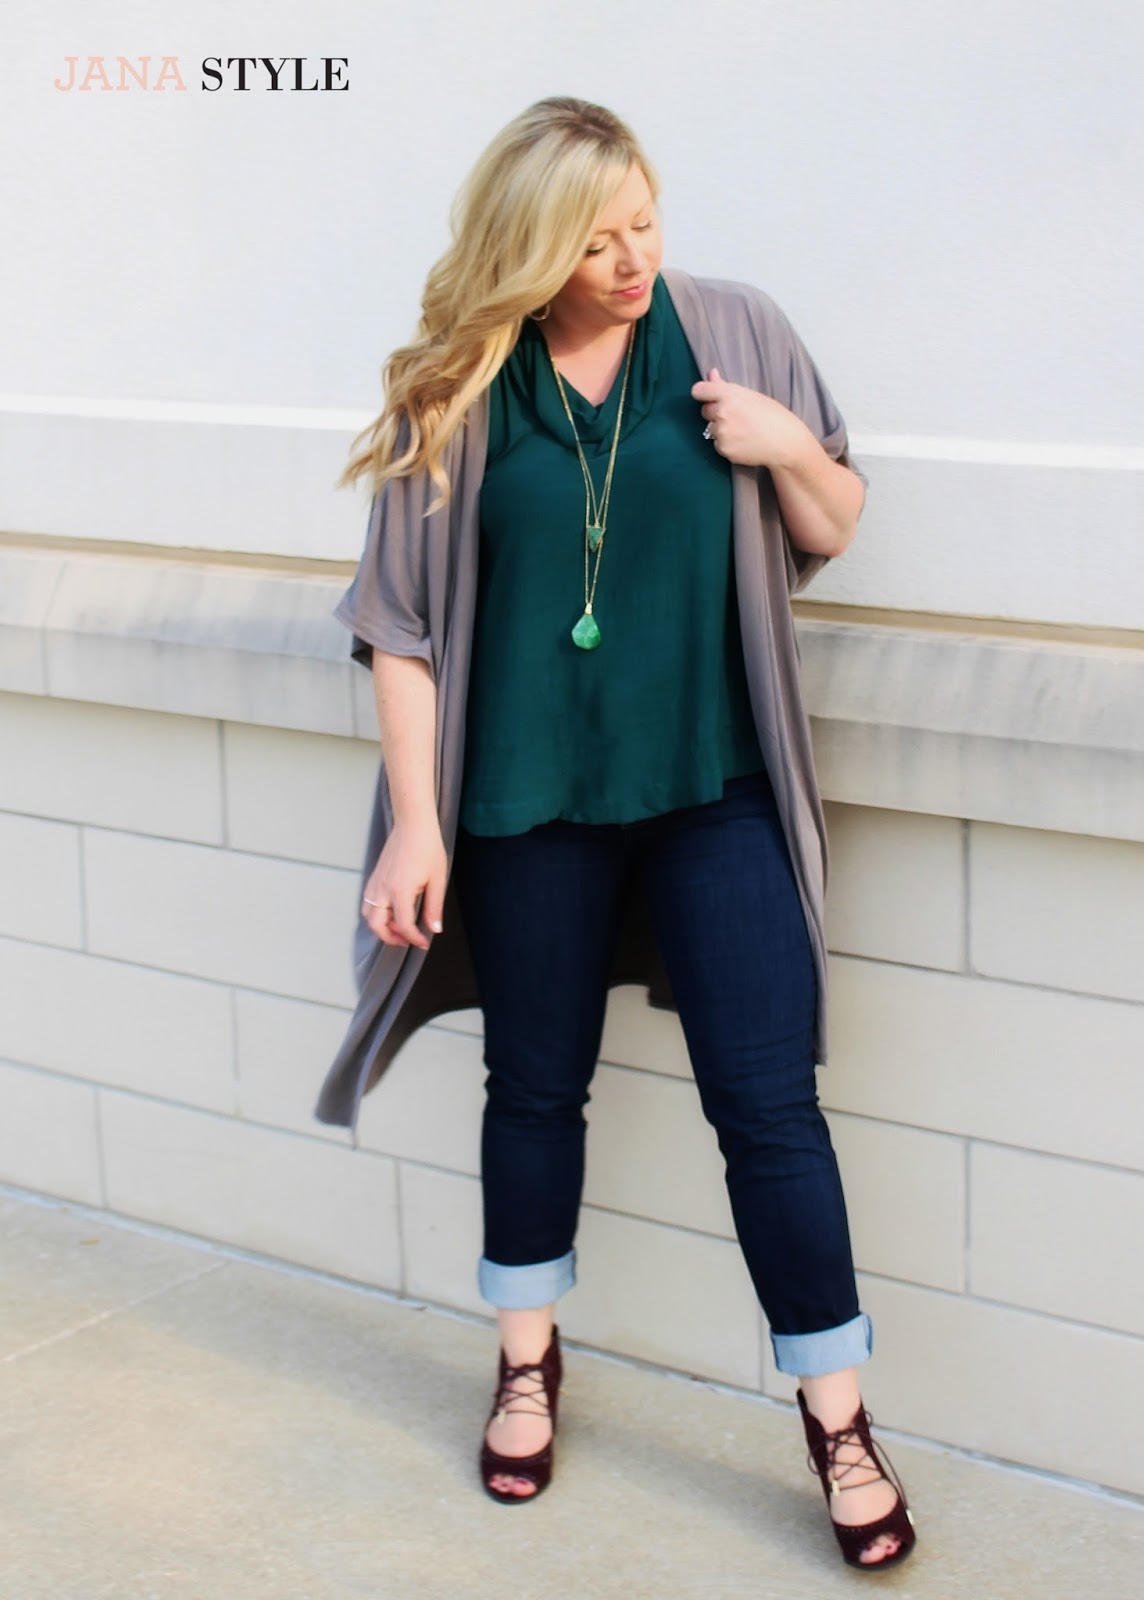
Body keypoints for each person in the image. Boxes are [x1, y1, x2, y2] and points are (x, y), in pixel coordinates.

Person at [322, 97, 917, 1572]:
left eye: (645, 221)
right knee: (534, 1092)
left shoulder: (735, 331)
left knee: (770, 1110)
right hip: (527, 807)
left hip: (717, 791)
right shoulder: (461, 385)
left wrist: (785, 445)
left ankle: (840, 1423)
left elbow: (835, 522)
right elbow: (400, 629)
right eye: (595, 240)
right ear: (530, 246)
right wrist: (416, 828)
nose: (634, 257)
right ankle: (527, 1365)